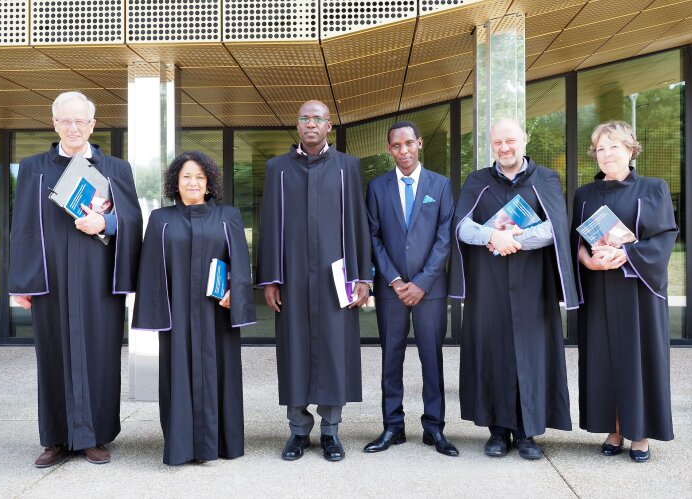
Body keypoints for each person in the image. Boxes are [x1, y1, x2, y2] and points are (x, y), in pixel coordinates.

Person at [9, 91, 142, 467]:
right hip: (50, 281)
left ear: (92, 125)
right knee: (53, 355)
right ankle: (56, 439)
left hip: (99, 280)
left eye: (80, 120)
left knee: (99, 355)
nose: (73, 127)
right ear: (54, 124)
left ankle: (94, 437)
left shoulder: (116, 169)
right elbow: (22, 226)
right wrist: (22, 282)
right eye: (65, 120)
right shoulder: (33, 168)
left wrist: (106, 222)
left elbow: (133, 220)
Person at [449, 118, 578, 460]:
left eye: (510, 141)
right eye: (497, 143)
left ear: (524, 139)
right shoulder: (477, 180)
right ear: (491, 145)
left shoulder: (545, 178)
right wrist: (492, 235)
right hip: (488, 283)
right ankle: (497, 431)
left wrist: (515, 240)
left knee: (531, 354)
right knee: (493, 352)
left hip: (533, 283)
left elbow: (555, 228)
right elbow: (461, 226)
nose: (504, 148)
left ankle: (526, 433)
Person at [256, 100, 372, 462]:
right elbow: (269, 224)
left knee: (335, 351)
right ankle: (298, 431)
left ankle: (331, 431)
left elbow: (358, 223)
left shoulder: (347, 167)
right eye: (304, 118)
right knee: (294, 351)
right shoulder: (278, 169)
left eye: (317, 118)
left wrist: (363, 277)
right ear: (297, 124)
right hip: (291, 277)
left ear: (328, 126)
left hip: (335, 278)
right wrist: (270, 279)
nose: (310, 124)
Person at [132, 151, 256, 465]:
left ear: (209, 182)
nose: (193, 182)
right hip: (178, 316)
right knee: (178, 375)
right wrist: (157, 312)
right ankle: (182, 447)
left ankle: (222, 443)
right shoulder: (161, 220)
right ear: (175, 181)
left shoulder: (227, 216)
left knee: (221, 374)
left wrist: (236, 290)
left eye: (200, 177)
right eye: (186, 176)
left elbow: (241, 262)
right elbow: (151, 268)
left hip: (218, 313)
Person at [572, 121, 677, 462]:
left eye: (614, 147)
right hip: (599, 289)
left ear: (631, 149)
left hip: (638, 291)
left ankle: (640, 433)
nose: (607, 154)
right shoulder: (585, 195)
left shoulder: (653, 188)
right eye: (600, 149)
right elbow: (575, 243)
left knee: (637, 358)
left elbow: (663, 238)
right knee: (603, 358)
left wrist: (627, 254)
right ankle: (613, 427)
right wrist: (587, 261)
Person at [364, 121, 457, 456]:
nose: (403, 151)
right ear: (389, 149)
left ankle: (435, 428)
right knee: (391, 358)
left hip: (430, 290)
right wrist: (395, 280)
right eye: (396, 146)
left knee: (432, 358)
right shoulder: (377, 187)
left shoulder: (441, 185)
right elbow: (373, 236)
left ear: (419, 144)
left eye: (408, 144)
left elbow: (444, 238)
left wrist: (421, 282)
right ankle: (393, 426)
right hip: (391, 290)